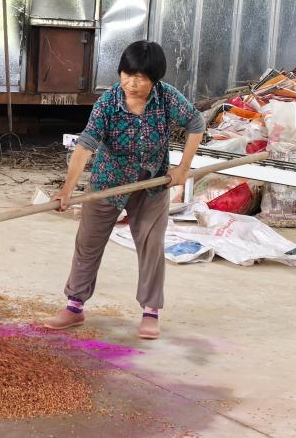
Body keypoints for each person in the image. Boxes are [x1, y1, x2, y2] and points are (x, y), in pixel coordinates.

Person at [44, 40, 204, 339]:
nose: (132, 83)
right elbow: (86, 144)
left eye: (141, 78)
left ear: (154, 79)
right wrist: (67, 189)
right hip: (108, 182)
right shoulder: (108, 103)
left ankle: (150, 311)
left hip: (151, 183)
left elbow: (196, 123)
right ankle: (74, 306)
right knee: (88, 243)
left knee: (151, 244)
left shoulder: (167, 98)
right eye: (127, 74)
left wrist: (182, 168)